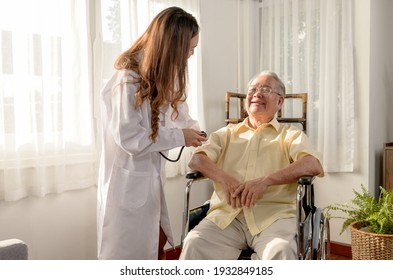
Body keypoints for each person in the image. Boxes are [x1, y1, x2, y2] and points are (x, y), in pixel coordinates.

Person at [97, 6, 207, 260]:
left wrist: (201, 135)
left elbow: (183, 118)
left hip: (148, 187)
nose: (190, 56)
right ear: (171, 47)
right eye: (188, 50)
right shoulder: (127, 81)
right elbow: (130, 139)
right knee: (126, 257)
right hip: (126, 190)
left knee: (154, 248)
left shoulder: (162, 81)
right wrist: (182, 137)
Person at [180, 70, 324, 260]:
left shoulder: (291, 135)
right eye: (252, 90)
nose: (256, 94)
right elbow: (196, 160)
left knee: (281, 250)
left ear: (280, 102)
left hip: (275, 216)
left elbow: (312, 164)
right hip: (228, 215)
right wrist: (225, 179)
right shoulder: (226, 134)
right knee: (194, 243)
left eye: (265, 89)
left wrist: (266, 181)